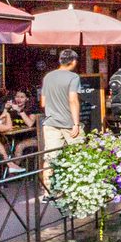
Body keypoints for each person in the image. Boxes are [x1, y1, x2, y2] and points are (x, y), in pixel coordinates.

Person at [39, 51, 84, 179]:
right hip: (69, 123)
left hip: (51, 122)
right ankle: (80, 190)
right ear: (74, 61)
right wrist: (76, 123)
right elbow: (73, 100)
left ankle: (48, 193)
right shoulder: (73, 77)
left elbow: (43, 103)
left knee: (50, 158)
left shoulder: (48, 77)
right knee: (80, 155)